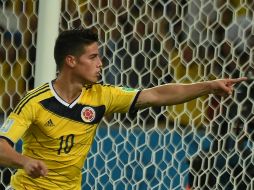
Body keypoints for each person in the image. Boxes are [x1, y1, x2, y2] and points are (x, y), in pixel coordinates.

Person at [0, 28, 247, 189]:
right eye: (93, 57)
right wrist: (23, 161)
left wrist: (208, 86)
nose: (101, 63)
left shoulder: (102, 95)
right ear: (71, 61)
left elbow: (156, 94)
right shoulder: (35, 101)